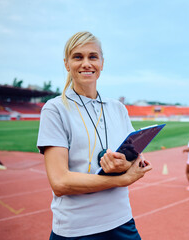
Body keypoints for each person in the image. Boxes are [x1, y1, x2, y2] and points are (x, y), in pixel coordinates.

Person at [37, 31, 152, 239]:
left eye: (93, 57)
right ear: (66, 64)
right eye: (78, 57)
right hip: (77, 229)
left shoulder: (117, 108)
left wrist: (124, 165)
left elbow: (136, 158)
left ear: (102, 63)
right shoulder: (54, 109)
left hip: (122, 221)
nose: (86, 64)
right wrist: (122, 179)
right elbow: (60, 182)